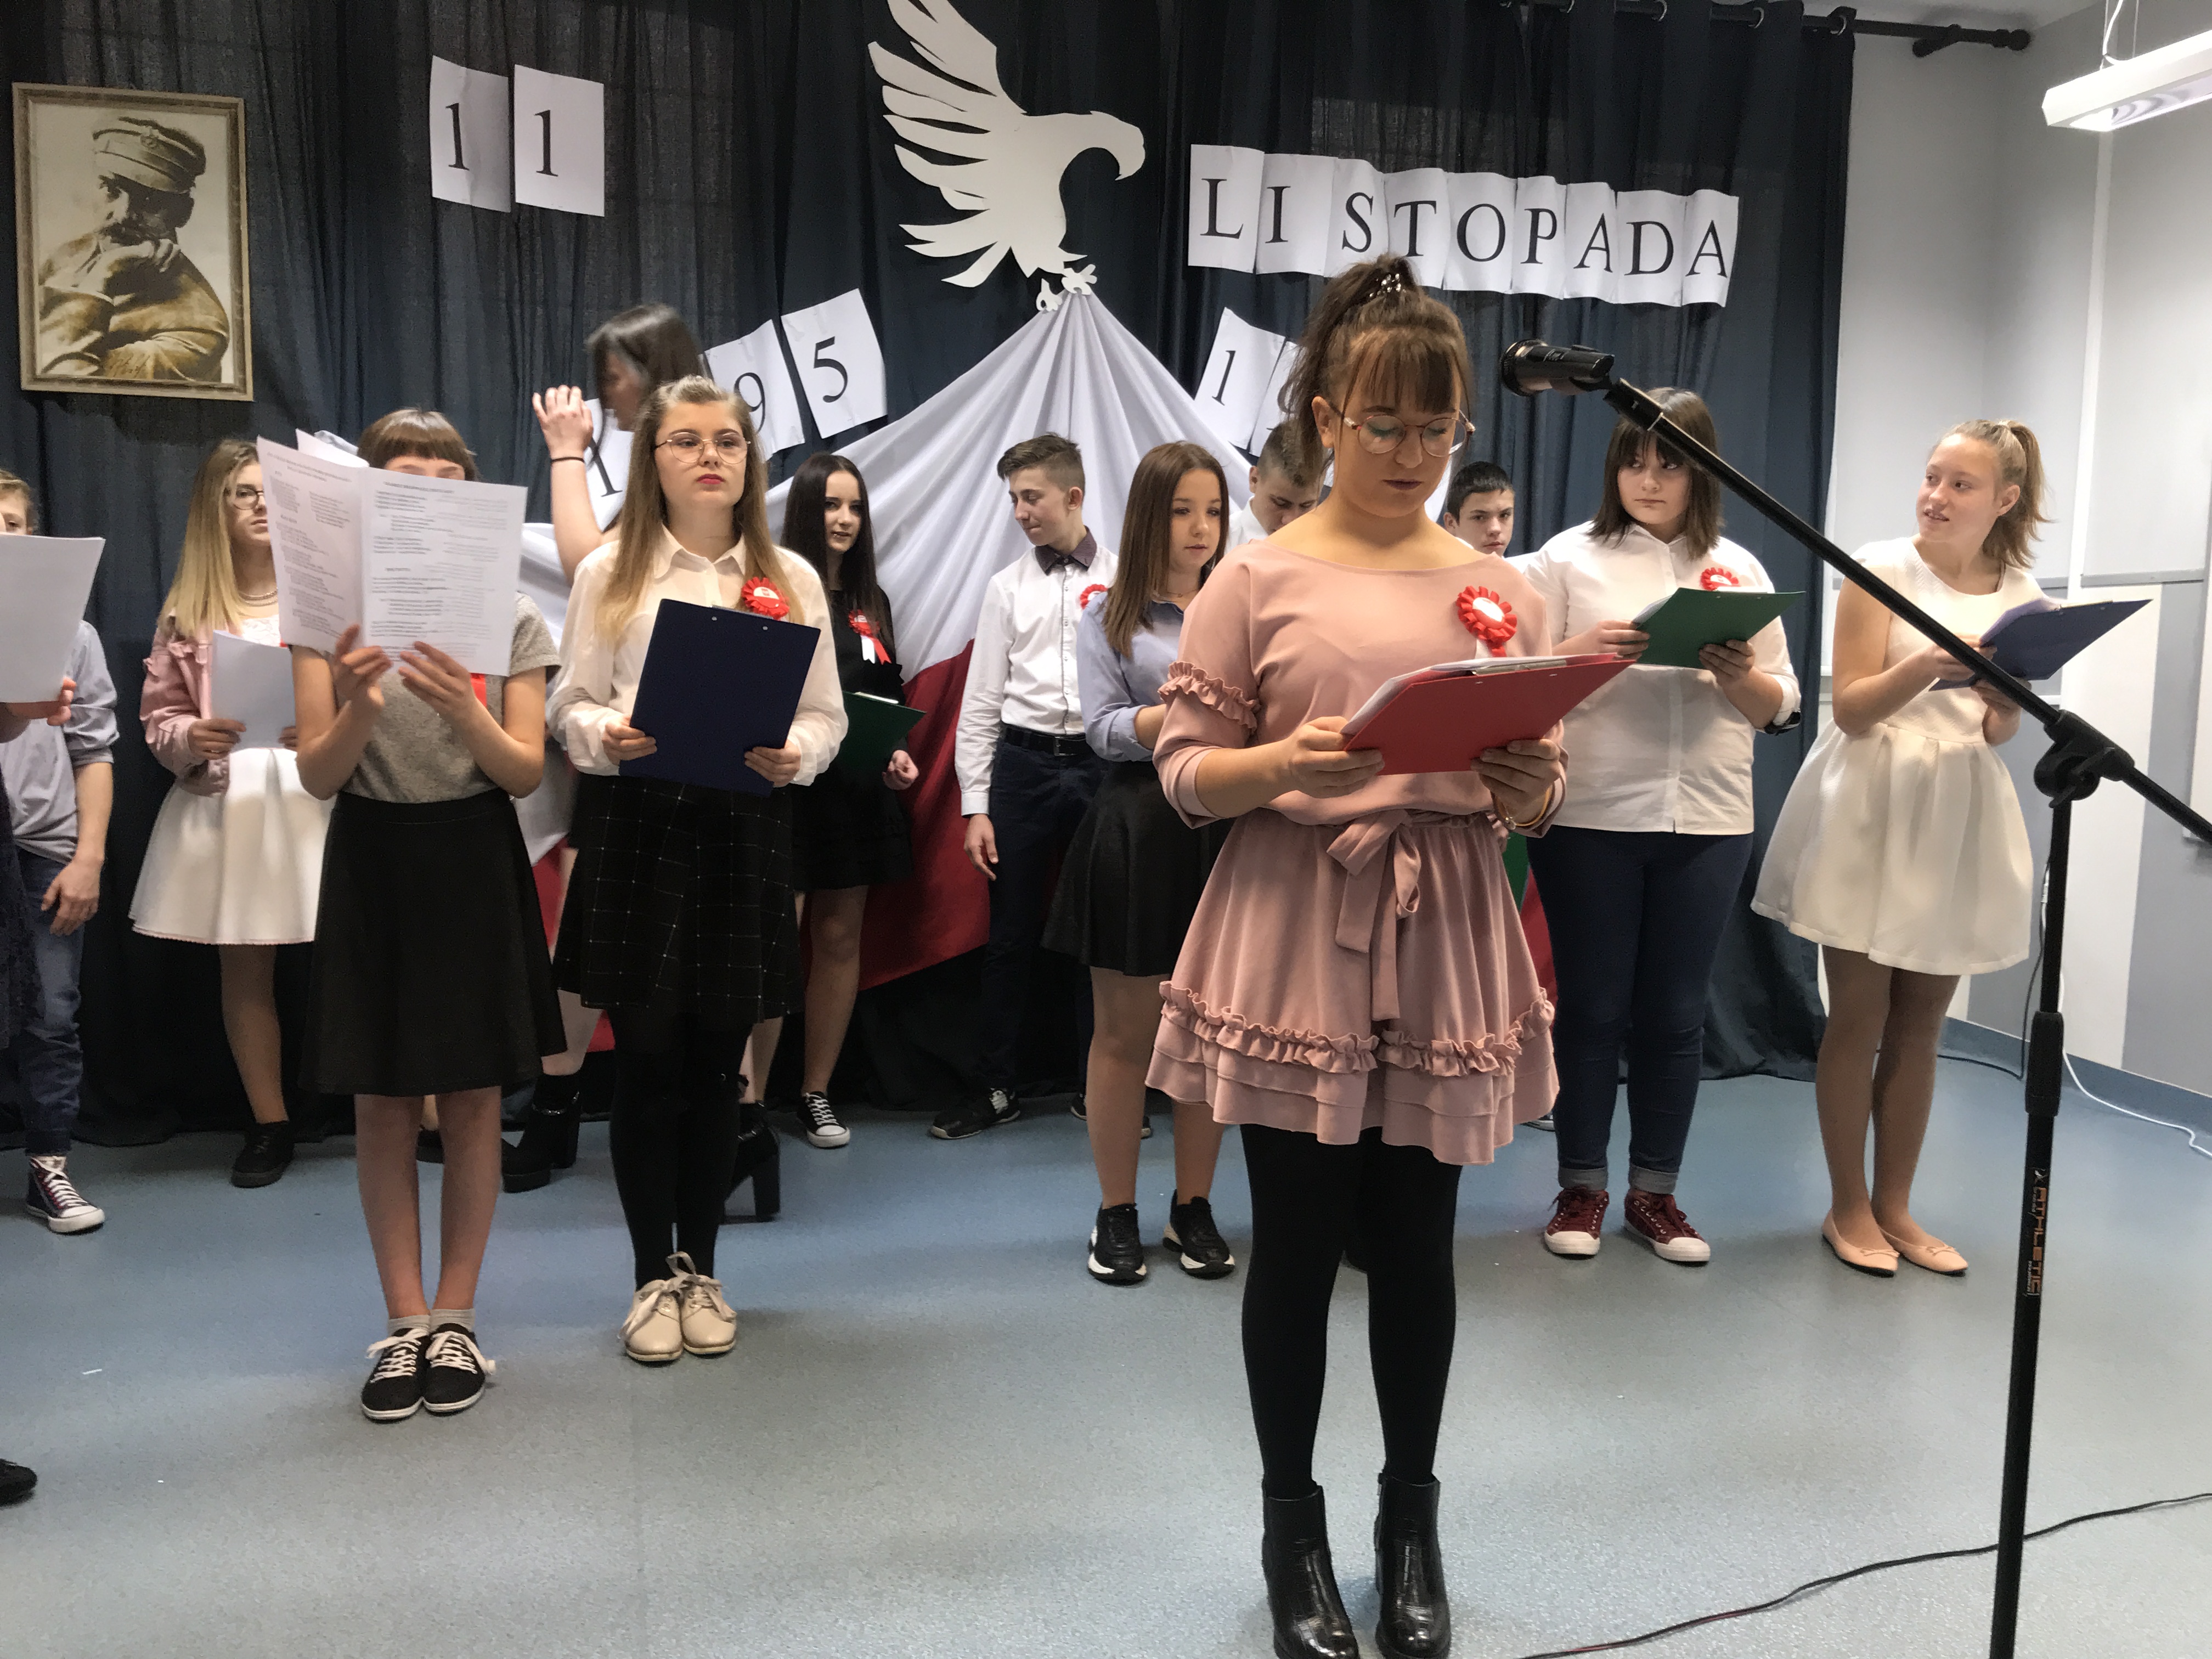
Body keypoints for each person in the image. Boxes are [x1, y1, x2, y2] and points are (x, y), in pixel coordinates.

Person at [1148, 253, 1563, 1659]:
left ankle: (1410, 1522)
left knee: (1420, 1246)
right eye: (1383, 423)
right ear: (1327, 417)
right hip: (1296, 919)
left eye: (1437, 427)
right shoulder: (1255, 575)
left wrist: (1529, 786)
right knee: (1298, 1241)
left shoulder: (1496, 583)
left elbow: (1535, 780)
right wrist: (1284, 762)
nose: (1411, 453)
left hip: (1445, 920)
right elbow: (1185, 774)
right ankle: (1292, 1527)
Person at [549, 374, 845, 1364]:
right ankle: (649, 1276)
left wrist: (800, 754)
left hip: (743, 825)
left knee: (723, 1065)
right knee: (646, 1061)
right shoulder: (611, 571)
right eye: (686, 440)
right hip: (642, 819)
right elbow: (569, 702)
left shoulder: (790, 576)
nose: (710, 455)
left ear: (749, 459)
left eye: (727, 439)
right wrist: (604, 731)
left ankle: (703, 1269)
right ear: (653, 459)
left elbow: (826, 714)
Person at [290, 408, 564, 1421]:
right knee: (383, 1101)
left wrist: (464, 708)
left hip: (472, 853)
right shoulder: (328, 614)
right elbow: (318, 773)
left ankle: (458, 1313)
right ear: (369, 499)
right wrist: (361, 704)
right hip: (373, 854)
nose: (426, 498)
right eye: (405, 482)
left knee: (476, 1097)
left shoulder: (512, 615)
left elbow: (524, 769)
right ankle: (404, 1321)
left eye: (446, 483)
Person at [1754, 419, 2046, 1279]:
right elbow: (1850, 709)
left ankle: (1896, 1206)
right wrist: (1929, 666)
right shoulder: (1880, 567)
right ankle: (1846, 1205)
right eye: (1931, 477)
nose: (1936, 497)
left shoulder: (2023, 595)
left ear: (2005, 500)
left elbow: (1995, 729)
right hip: (1872, 798)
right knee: (1861, 1015)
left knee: (1922, 1025)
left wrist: (2003, 703)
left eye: (1960, 484)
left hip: (1955, 805)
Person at [1515, 391, 1800, 1266]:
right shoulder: (1567, 558)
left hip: (1708, 817)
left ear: (1700, 470)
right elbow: (1517, 679)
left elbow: (1779, 706)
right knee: (1593, 1006)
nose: (1648, 479)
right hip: (1593, 812)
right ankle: (1581, 1187)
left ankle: (1655, 1195)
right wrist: (1583, 653)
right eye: (1634, 461)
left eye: (1670, 462)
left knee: (1676, 1014)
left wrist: (1737, 675)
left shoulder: (1738, 569)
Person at [1041, 442, 1236, 1286]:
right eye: (1183, 510)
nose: (1200, 528)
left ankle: (1194, 1206)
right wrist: (1176, 717)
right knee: (1125, 1037)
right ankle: (1115, 1210)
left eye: (1214, 511)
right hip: (1139, 824)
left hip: (1227, 827)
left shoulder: (1242, 606)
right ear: (1149, 516)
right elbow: (1101, 729)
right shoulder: (1109, 615)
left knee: (1209, 1033)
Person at [132, 438, 332, 1187]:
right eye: (243, 493)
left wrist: (330, 723)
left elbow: (372, 698)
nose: (259, 506)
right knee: (245, 965)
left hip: (320, 798)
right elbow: (159, 721)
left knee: (364, 959)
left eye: (270, 492)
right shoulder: (188, 613)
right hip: (230, 803)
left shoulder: (324, 602)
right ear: (215, 509)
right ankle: (268, 1122)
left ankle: (420, 1111)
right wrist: (194, 737)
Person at [942, 433, 1118, 1141]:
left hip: (1101, 766)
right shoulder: (1005, 588)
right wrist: (976, 807)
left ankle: (1100, 1088)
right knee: (1010, 935)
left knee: (1100, 937)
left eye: (1031, 497)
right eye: (1013, 498)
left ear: (1073, 497)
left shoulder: (1125, 577)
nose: (1019, 512)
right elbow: (981, 702)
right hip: (1022, 768)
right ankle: (994, 1088)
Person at [762, 453, 918, 1150]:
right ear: (804, 511)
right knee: (772, 944)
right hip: (789, 790)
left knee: (838, 940)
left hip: (856, 792)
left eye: (855, 507)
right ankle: (746, 1100)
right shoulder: (769, 589)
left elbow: (890, 692)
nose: (845, 519)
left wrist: (896, 749)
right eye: (830, 505)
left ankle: (815, 1091)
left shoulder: (870, 600)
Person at [1, 471, 114, 1233]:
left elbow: (94, 751)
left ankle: (49, 1168)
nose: (2, 535)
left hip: (44, 848)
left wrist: (88, 857)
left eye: (13, 523)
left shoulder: (72, 633)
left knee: (51, 1015)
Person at [35, 116, 227, 383]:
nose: (123, 215)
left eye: (150, 201)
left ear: (183, 213)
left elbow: (66, 384)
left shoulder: (200, 332)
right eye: (111, 188)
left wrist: (101, 279)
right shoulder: (66, 255)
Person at [532, 303, 708, 579]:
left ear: (651, 376)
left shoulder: (685, 459)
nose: (605, 393)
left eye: (613, 379)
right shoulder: (677, 456)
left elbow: (588, 568)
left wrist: (566, 451)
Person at [1227, 419, 1324, 549]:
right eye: (1280, 504)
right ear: (1254, 480)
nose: (1291, 521)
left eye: (1306, 506)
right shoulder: (1217, 545)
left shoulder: (1326, 551)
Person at [1441, 460, 1515, 556]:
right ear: (1451, 523)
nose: (1495, 529)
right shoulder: (1431, 565)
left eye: (1504, 515)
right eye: (1479, 517)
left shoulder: (1523, 565)